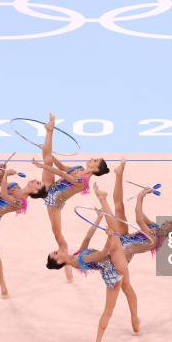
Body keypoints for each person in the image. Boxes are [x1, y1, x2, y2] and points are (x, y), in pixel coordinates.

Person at [46, 211, 140, 342]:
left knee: (127, 289)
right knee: (109, 310)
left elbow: (87, 237)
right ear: (59, 262)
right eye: (56, 254)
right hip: (113, 273)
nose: (58, 250)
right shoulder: (79, 261)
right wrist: (110, 236)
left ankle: (134, 321)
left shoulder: (77, 255)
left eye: (55, 251)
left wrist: (98, 218)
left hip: (112, 265)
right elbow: (103, 253)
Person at [32, 113, 110, 282]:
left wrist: (43, 165)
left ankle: (65, 260)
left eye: (95, 160)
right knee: (47, 156)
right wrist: (50, 158)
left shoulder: (83, 182)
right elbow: (60, 167)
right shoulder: (79, 167)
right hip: (50, 188)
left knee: (57, 234)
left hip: (53, 201)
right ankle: (49, 130)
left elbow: (60, 173)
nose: (92, 158)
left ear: (96, 169)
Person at [0, 126, 47, 298]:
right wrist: (2, 171)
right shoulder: (15, 186)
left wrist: (7, 174)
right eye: (37, 181)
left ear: (36, 192)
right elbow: (0, 183)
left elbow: (5, 196)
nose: (36, 181)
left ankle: (2, 284)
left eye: (38, 185)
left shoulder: (21, 203)